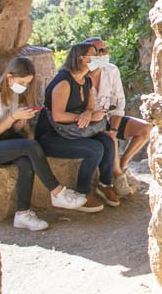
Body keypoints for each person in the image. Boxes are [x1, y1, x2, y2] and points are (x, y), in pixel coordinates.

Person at [0, 55, 89, 231]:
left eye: (27, 83)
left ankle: (22, 214)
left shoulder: (15, 95)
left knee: (26, 161)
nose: (24, 87)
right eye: (22, 82)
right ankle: (57, 192)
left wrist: (22, 120)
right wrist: (14, 117)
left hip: (7, 141)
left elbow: (13, 128)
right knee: (31, 146)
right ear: (9, 77)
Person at [36, 41, 117, 210]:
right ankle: (82, 195)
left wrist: (88, 113)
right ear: (81, 59)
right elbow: (58, 115)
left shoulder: (85, 80)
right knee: (95, 149)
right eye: (93, 55)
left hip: (73, 131)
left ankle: (105, 184)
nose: (98, 57)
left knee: (107, 141)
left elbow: (89, 107)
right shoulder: (64, 82)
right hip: (53, 136)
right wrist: (82, 116)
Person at [79, 37, 150, 192]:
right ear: (89, 55)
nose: (107, 53)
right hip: (91, 124)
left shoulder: (111, 70)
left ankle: (123, 165)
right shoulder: (79, 77)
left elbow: (119, 106)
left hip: (110, 119)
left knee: (146, 129)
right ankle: (118, 178)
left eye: (106, 48)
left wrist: (113, 130)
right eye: (101, 50)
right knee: (111, 138)